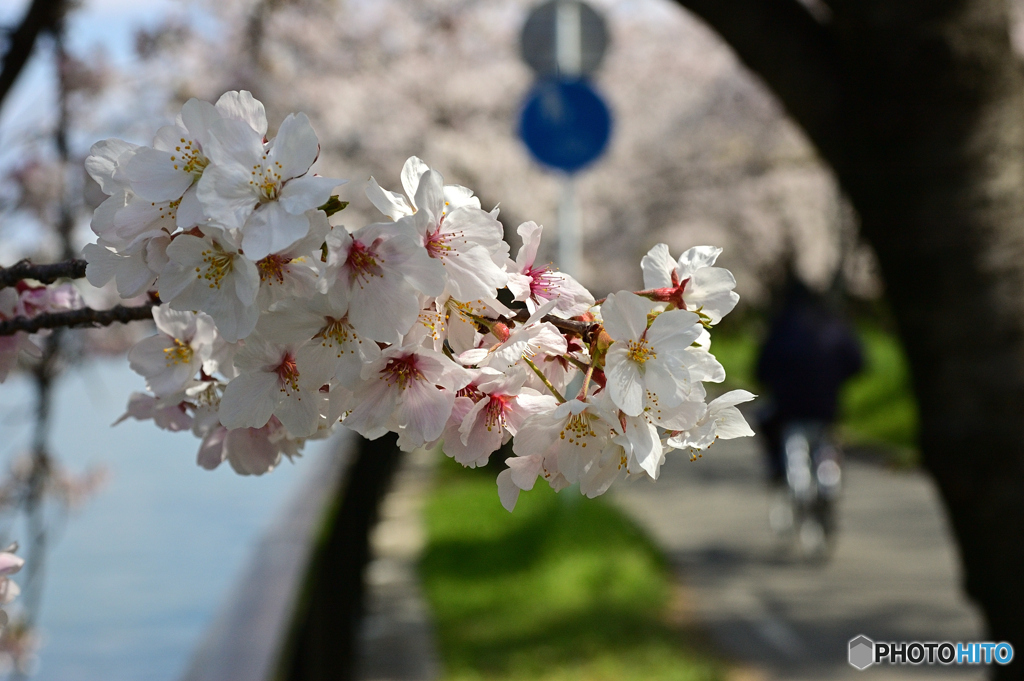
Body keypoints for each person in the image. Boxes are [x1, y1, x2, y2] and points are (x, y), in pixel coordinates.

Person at [755, 276, 864, 484]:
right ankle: (830, 477)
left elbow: (761, 368)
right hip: (827, 406)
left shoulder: (782, 326)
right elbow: (857, 363)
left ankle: (778, 469)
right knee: (827, 439)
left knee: (767, 422)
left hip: (788, 408)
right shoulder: (833, 324)